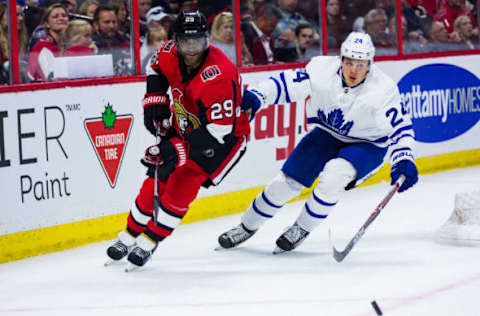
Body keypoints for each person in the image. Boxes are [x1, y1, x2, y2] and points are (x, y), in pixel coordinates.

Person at [217, 32, 418, 253]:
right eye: (349, 62)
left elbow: (401, 128)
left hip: (367, 144)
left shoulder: (383, 90)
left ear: (370, 65)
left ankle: (301, 228)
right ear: (340, 59)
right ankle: (246, 226)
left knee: (334, 175)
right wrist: (259, 95)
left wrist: (404, 158)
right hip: (326, 134)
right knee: (284, 184)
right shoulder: (321, 70)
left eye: (360, 65)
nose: (353, 70)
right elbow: (286, 84)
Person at [106, 11, 250, 269]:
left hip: (223, 141)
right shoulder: (169, 51)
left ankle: (150, 241)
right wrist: (156, 98)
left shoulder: (219, 74)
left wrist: (176, 148)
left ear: (207, 39)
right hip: (185, 124)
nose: (193, 48)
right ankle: (128, 235)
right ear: (177, 40)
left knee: (182, 184)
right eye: (187, 42)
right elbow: (154, 67)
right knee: (155, 179)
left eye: (198, 41)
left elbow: (220, 131)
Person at [27, 3, 69, 81]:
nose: (61, 18)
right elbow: (52, 78)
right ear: (47, 24)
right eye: (55, 17)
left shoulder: (67, 43)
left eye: (64, 16)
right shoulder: (43, 47)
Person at [92, 5, 131, 75]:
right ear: (96, 25)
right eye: (107, 22)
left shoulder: (126, 41)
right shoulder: (91, 45)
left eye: (114, 22)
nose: (111, 26)